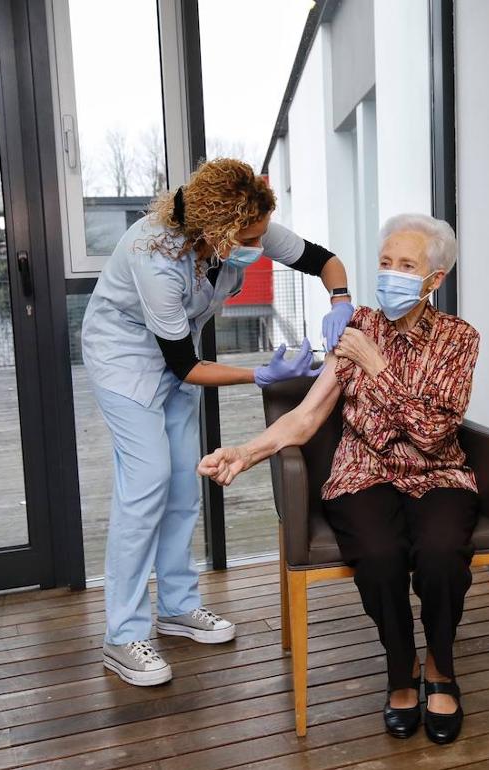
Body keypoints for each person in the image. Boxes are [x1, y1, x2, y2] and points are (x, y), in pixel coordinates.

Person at [198, 213, 479, 744]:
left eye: (406, 266)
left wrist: (377, 367)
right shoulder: (360, 327)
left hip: (437, 471)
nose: (390, 274)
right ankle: (402, 670)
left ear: (434, 281)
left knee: (442, 555)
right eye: (384, 263)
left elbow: (434, 434)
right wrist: (246, 452)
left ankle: (441, 667)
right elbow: (307, 416)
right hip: (364, 472)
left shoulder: (458, 340)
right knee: (378, 556)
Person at [81, 158, 355, 687]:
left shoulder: (244, 225)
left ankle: (178, 606)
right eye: (250, 237)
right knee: (146, 484)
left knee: (185, 482)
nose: (260, 244)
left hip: (176, 360)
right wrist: (261, 374)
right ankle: (122, 633)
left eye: (260, 233)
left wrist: (340, 301)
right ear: (217, 230)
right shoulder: (153, 256)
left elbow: (324, 260)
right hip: (124, 361)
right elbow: (186, 364)